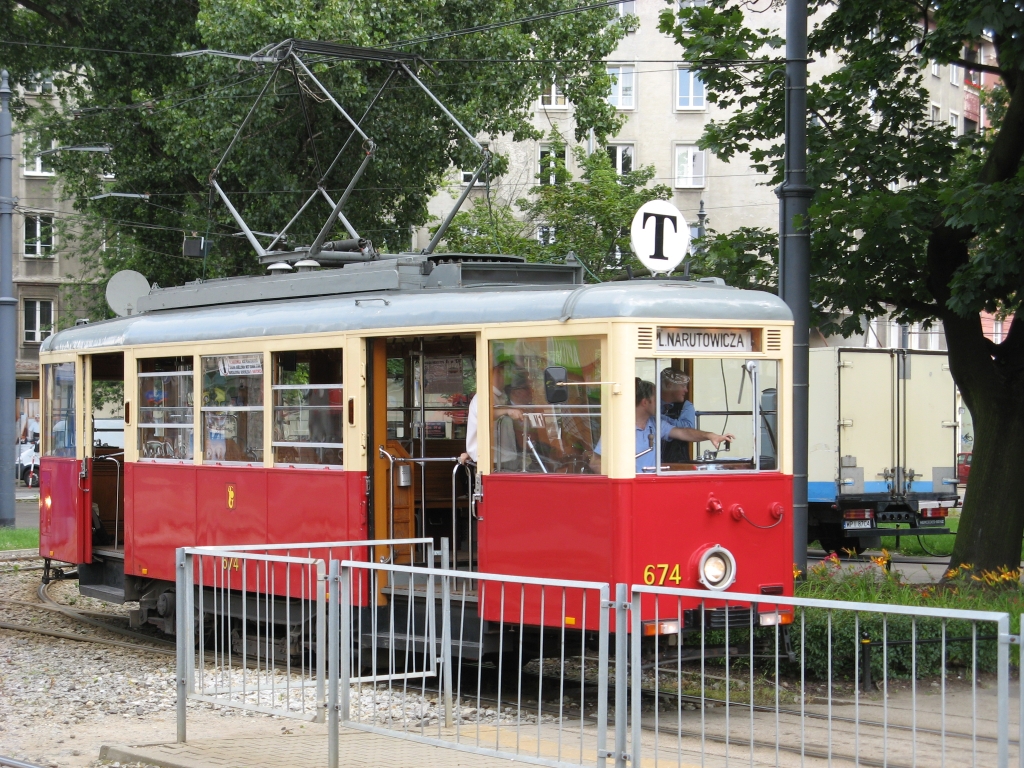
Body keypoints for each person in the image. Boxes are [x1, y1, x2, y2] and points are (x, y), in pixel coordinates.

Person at [590, 378, 734, 474]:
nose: (660, 403)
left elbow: (683, 433)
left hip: (651, 486)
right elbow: (595, 463)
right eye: (655, 399)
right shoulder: (619, 427)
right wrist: (624, 474)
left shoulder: (655, 423)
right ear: (645, 402)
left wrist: (710, 435)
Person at [459, 363, 524, 465]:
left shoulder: (501, 396)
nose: (506, 376)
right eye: (502, 372)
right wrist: (507, 411)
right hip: (491, 462)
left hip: (505, 457)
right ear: (494, 373)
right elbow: (485, 415)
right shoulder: (482, 396)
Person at [660, 368, 695, 462]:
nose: (686, 390)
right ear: (669, 385)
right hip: (651, 463)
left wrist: (660, 418)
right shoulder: (651, 404)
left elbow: (689, 429)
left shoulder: (686, 406)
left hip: (677, 462)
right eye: (683, 386)